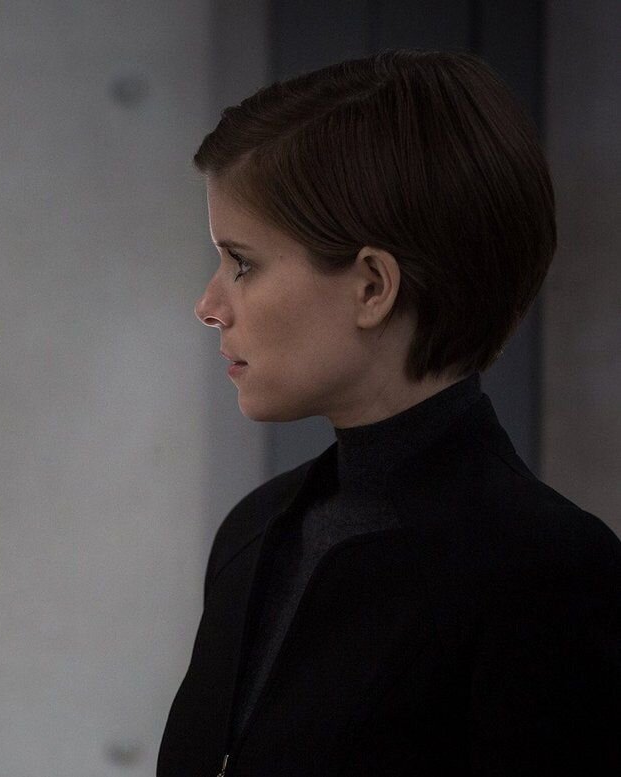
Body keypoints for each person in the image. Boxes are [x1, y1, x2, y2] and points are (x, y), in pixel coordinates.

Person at [159, 50, 621, 776]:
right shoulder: (253, 532)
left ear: (373, 286)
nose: (209, 305)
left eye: (241, 262)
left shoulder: (551, 575)